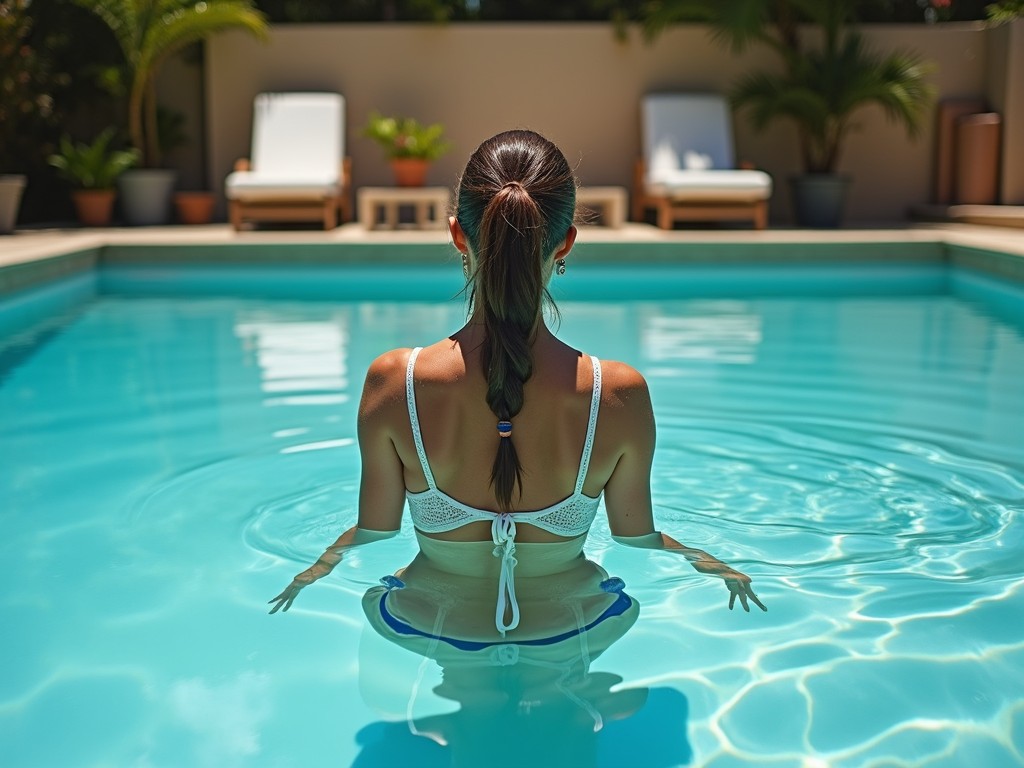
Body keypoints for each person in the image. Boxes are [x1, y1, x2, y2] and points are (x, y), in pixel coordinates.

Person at [269, 129, 766, 629]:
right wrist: (709, 563)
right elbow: (637, 538)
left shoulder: (394, 382)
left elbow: (374, 530)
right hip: (572, 628)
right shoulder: (616, 394)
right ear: (566, 241)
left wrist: (314, 570)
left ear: (457, 234)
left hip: (428, 625)